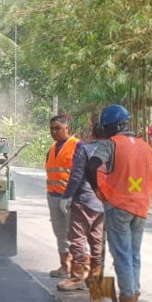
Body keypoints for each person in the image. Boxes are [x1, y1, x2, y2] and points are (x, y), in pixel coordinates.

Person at [86, 104, 152, 302]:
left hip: (118, 207)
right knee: (134, 255)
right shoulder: (146, 146)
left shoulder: (111, 144)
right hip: (141, 207)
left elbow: (91, 167)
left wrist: (98, 190)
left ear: (112, 127)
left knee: (123, 256)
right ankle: (132, 298)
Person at [56, 123, 106, 292]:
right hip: (103, 202)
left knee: (77, 239)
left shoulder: (85, 149)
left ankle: (77, 277)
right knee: (97, 240)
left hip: (84, 200)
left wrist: (67, 196)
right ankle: (95, 278)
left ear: (92, 133)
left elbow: (76, 176)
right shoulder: (112, 150)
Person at [45, 114, 80, 278]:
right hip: (53, 197)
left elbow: (80, 175)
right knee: (60, 233)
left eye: (58, 128)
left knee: (74, 235)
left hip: (71, 198)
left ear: (67, 128)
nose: (54, 131)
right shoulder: (52, 149)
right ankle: (64, 266)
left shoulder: (77, 147)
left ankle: (78, 272)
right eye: (52, 128)